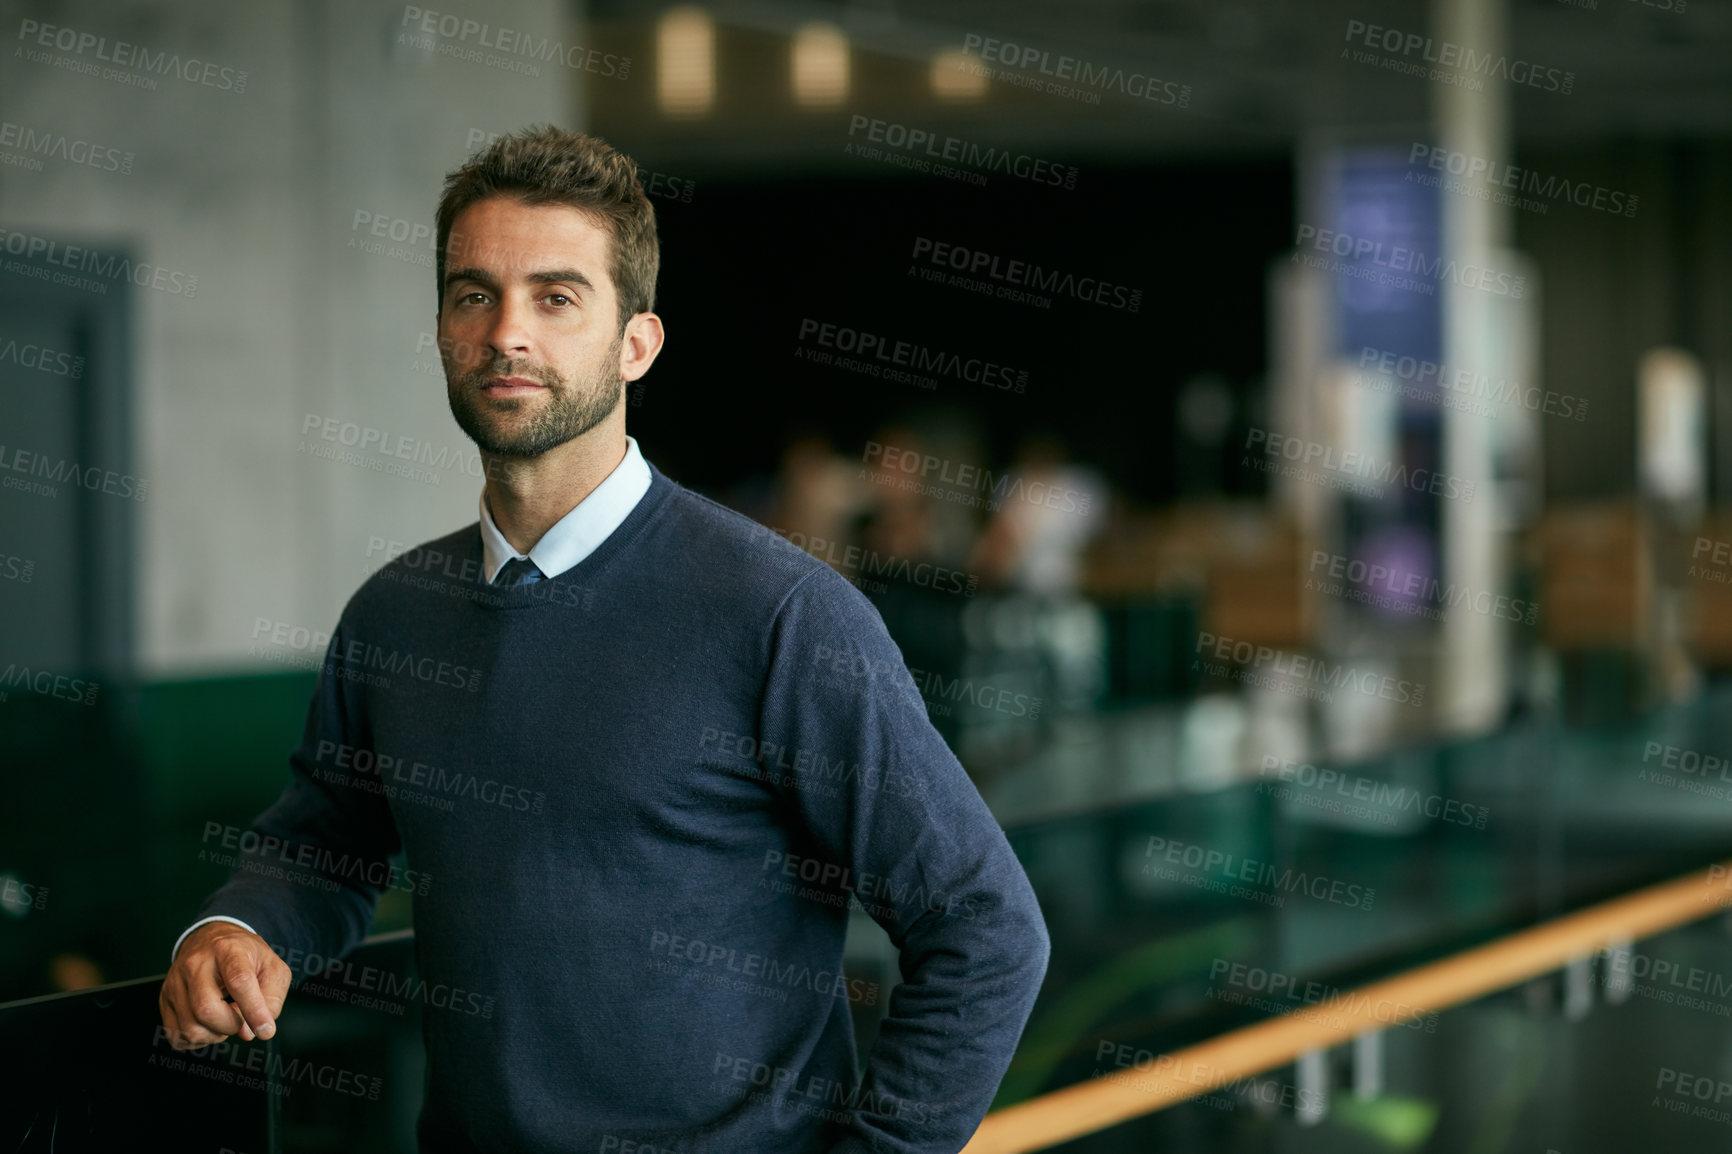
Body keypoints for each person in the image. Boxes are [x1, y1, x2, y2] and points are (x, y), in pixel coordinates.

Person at [157, 124, 1050, 1154]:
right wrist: (238, 926)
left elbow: (985, 929)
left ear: (637, 342)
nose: (506, 334)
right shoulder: (395, 613)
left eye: (556, 296)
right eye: (471, 293)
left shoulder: (779, 612)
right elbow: (322, 842)